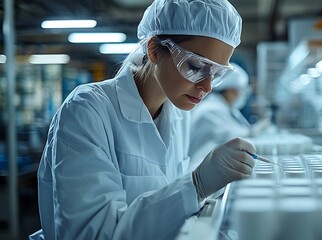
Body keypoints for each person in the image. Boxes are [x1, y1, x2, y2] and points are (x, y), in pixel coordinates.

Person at [31, 0, 257, 239]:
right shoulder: (87, 110)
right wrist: (195, 186)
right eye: (196, 66)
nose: (207, 86)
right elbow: (93, 233)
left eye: (217, 73)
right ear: (153, 49)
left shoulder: (178, 113)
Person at [188, 63, 252, 167]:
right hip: (198, 165)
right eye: (239, 91)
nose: (242, 95)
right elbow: (231, 136)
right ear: (230, 91)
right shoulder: (211, 109)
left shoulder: (226, 107)